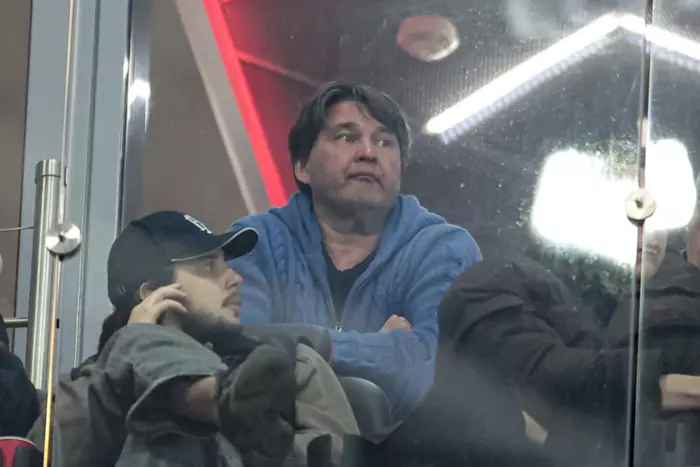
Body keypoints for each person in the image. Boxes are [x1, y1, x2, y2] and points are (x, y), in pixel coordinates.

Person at [228, 82, 481, 419]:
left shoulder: (444, 249)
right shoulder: (253, 242)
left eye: (384, 142)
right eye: (347, 137)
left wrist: (297, 348)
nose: (368, 153)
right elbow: (236, 359)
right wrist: (383, 350)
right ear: (303, 166)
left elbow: (432, 376)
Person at [27, 211, 358, 467]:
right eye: (209, 267)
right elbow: (46, 457)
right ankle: (210, 397)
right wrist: (123, 368)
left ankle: (204, 398)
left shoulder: (289, 363)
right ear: (154, 292)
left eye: (227, 265)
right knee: (155, 413)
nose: (236, 278)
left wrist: (255, 448)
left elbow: (336, 458)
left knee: (170, 430)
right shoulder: (91, 385)